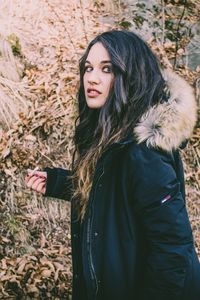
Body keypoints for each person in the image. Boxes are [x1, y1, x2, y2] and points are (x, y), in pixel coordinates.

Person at [25, 30, 200, 300]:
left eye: (107, 69)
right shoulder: (113, 135)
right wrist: (60, 182)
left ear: (130, 75)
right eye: (88, 68)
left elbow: (173, 250)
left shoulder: (143, 152)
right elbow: (111, 193)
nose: (92, 78)